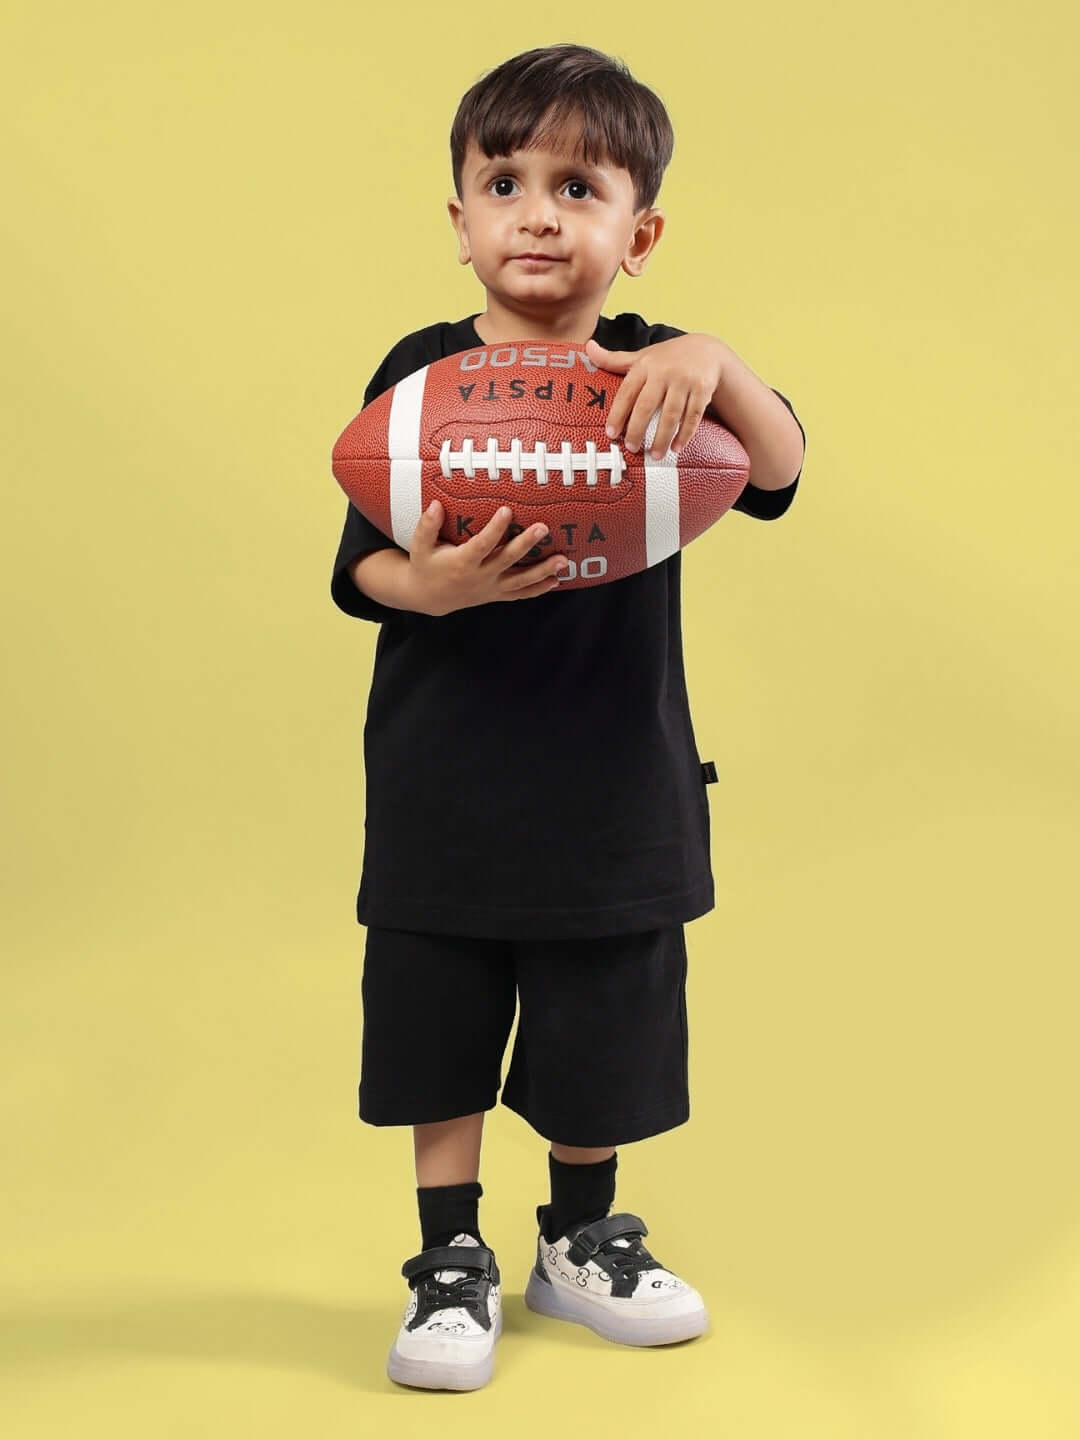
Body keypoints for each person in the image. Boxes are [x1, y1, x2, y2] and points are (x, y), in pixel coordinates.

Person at [329, 43, 806, 1391]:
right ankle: (449, 1258)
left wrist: (715, 361)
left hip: (615, 779)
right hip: (445, 774)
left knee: (607, 1023)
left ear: (636, 233)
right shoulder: (420, 377)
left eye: (578, 185)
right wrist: (430, 582)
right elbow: (354, 560)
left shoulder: (665, 375)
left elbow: (775, 472)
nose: (538, 211)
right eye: (504, 181)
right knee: (440, 1018)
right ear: (463, 221)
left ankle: (581, 1239)